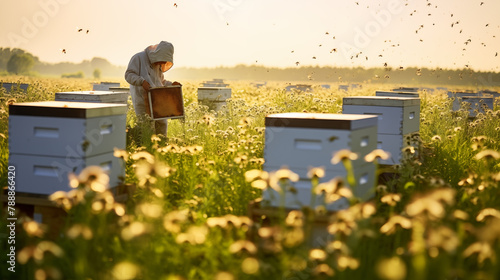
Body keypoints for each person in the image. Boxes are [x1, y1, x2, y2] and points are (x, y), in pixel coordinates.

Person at [125, 41, 179, 135]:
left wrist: (171, 85)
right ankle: (145, 147)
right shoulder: (138, 58)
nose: (163, 63)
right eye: (163, 59)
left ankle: (162, 146)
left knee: (162, 124)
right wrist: (142, 82)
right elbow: (128, 74)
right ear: (158, 54)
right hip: (142, 99)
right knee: (146, 126)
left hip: (157, 100)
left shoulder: (158, 65)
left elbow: (160, 82)